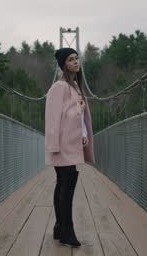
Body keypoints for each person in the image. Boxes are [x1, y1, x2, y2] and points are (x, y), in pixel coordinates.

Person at [44, 47, 95, 248]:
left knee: (64, 183)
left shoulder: (74, 86)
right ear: (64, 64)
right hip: (62, 145)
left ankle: (60, 227)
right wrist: (53, 145)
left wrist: (83, 134)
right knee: (67, 183)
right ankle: (67, 230)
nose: (76, 62)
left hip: (70, 144)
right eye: (71, 59)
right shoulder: (60, 87)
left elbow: (76, 117)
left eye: (77, 58)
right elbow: (54, 117)